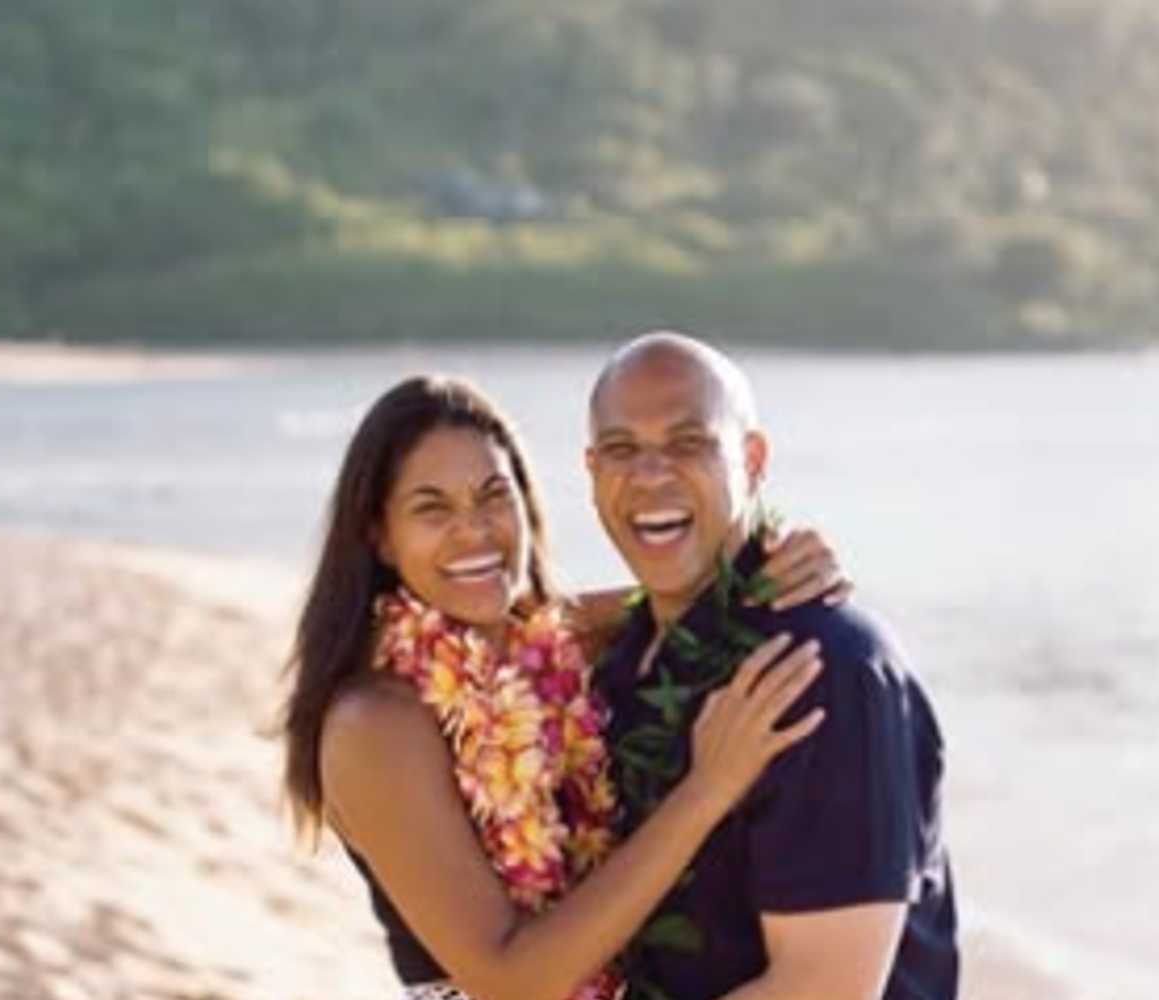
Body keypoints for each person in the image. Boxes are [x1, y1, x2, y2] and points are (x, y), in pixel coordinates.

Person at [279, 374, 852, 1000]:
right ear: (379, 535)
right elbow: (509, 980)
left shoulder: (544, 650)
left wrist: (770, 570)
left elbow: (663, 599)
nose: (475, 531)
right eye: (432, 508)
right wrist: (707, 790)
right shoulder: (375, 723)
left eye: (495, 496)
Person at [586, 333, 959, 998]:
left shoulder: (822, 670)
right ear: (591, 473)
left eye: (687, 443)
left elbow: (824, 989)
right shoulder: (618, 663)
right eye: (621, 450)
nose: (648, 476)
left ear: (752, 460)